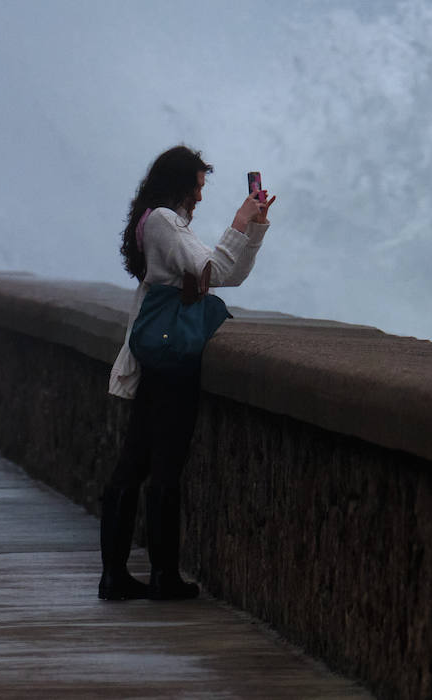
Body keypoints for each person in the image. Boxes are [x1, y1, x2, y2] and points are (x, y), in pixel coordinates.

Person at [100, 145, 274, 600]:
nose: (199, 196)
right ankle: (161, 576)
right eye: (197, 186)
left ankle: (117, 575)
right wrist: (241, 221)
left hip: (158, 352)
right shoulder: (163, 220)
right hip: (171, 358)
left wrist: (252, 228)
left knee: (136, 462)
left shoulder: (155, 221)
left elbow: (224, 272)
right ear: (178, 184)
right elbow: (212, 269)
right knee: (162, 465)